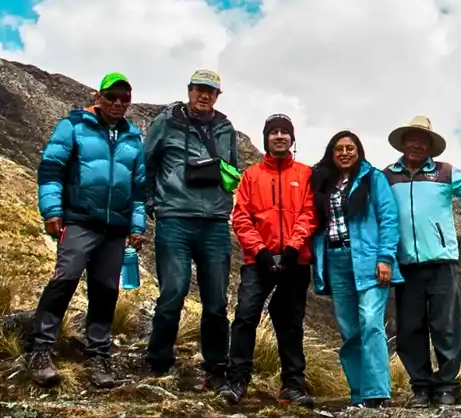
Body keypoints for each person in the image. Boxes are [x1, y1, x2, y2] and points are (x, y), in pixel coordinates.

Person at [26, 72, 147, 389]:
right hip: (79, 220)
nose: (118, 103)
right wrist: (52, 209)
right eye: (112, 97)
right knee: (64, 280)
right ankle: (41, 350)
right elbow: (51, 168)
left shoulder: (133, 138)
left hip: (115, 229)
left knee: (106, 291)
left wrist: (136, 224)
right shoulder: (74, 126)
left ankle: (98, 355)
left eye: (124, 98)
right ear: (98, 96)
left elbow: (138, 188)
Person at [383, 115, 461, 407]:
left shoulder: (445, 172)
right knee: (409, 328)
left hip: (441, 263)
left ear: (430, 146)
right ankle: (420, 388)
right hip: (405, 266)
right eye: (412, 139)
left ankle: (446, 388)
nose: (416, 144)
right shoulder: (387, 176)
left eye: (422, 140)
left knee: (446, 326)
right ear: (403, 143)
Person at [143, 69, 240, 393]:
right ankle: (158, 361)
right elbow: (146, 164)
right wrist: (151, 202)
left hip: (214, 223)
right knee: (173, 292)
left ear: (217, 96)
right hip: (175, 220)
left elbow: (233, 168)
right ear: (189, 90)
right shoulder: (166, 122)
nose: (204, 96)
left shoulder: (226, 128)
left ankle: (216, 367)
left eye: (211, 92)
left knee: (216, 301)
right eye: (200, 89)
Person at [221, 114, 317, 406]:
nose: (279, 137)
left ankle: (293, 386)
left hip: (295, 261)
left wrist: (292, 248)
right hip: (257, 261)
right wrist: (260, 251)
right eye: (273, 132)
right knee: (245, 317)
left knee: (291, 322)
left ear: (292, 139)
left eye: (284, 132)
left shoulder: (305, 174)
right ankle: (237, 380)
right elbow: (241, 217)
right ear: (266, 138)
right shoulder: (251, 175)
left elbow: (309, 214)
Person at [310, 131, 404, 409]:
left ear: (359, 151)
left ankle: (377, 394)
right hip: (336, 259)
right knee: (349, 329)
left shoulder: (374, 179)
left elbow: (389, 219)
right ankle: (358, 394)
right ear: (331, 152)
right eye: (339, 148)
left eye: (350, 148)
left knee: (371, 322)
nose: (345, 153)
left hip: (369, 259)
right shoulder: (323, 182)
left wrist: (385, 258)